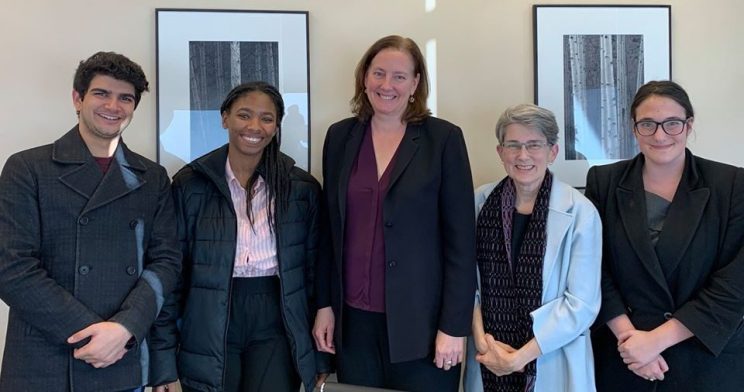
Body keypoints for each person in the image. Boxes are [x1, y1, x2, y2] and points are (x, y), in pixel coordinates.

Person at [0, 51, 181, 392]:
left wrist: (125, 329)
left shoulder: (153, 177)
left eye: (125, 98)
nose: (113, 106)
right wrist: (95, 334)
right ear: (78, 98)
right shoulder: (28, 168)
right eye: (101, 93)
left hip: (124, 354)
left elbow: (166, 262)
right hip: (45, 357)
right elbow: (12, 268)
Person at [312, 35, 477, 391]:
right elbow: (330, 231)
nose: (387, 85)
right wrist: (325, 306)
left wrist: (453, 327)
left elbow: (462, 244)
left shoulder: (443, 139)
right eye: (379, 73)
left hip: (424, 327)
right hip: (353, 324)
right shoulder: (340, 137)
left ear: (416, 83)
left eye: (400, 76)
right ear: (364, 77)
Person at [148, 81, 329, 392]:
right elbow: (170, 276)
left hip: (277, 318)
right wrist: (162, 363)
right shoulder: (190, 185)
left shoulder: (301, 189)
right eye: (244, 115)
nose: (254, 126)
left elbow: (316, 275)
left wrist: (320, 358)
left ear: (276, 126)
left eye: (266, 118)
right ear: (224, 118)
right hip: (208, 315)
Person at [586, 80, 744, 391]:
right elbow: (592, 268)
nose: (660, 135)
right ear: (634, 128)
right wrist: (631, 341)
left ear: (689, 125)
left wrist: (657, 340)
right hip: (624, 356)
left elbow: (735, 283)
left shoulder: (731, 183)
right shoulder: (604, 181)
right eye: (648, 124)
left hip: (704, 357)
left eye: (672, 123)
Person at [464, 104, 602, 392]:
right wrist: (482, 343)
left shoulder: (580, 212)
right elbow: (464, 284)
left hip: (551, 359)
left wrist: (518, 358)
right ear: (500, 152)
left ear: (552, 152)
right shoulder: (479, 203)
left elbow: (581, 305)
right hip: (488, 355)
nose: (523, 155)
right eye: (513, 145)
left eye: (534, 145)